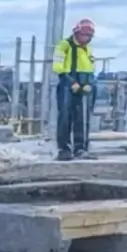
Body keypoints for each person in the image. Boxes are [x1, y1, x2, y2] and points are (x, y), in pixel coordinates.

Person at [53, 18, 97, 161]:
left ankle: (81, 148)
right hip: (68, 81)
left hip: (85, 81)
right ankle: (64, 149)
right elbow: (57, 66)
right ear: (77, 33)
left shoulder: (88, 48)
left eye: (88, 36)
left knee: (82, 118)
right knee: (65, 116)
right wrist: (70, 81)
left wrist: (90, 83)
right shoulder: (64, 45)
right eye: (84, 35)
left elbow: (90, 66)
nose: (86, 39)